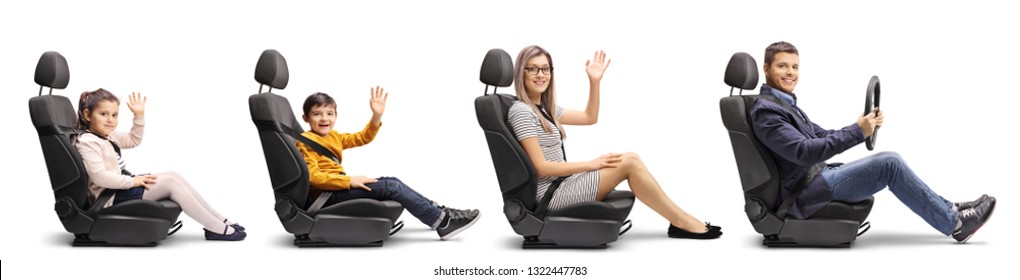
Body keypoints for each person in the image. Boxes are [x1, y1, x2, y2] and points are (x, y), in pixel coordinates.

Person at [750, 41, 996, 243]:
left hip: (814, 177)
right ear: (766, 69)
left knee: (889, 161)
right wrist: (858, 132)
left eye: (794, 66)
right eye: (783, 66)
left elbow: (820, 135)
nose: (791, 73)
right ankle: (956, 223)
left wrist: (859, 127)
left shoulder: (784, 104)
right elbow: (804, 152)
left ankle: (950, 208)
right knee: (889, 163)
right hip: (803, 192)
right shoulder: (768, 112)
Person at [507, 45, 721, 239]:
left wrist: (594, 83)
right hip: (550, 196)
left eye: (546, 69)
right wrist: (592, 164)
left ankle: (680, 219)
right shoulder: (522, 112)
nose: (540, 75)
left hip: (562, 184)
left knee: (630, 158)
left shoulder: (545, 109)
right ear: (521, 72)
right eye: (533, 69)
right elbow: (541, 168)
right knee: (628, 162)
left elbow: (590, 117)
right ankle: (681, 221)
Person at [297, 88, 480, 240]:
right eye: (317, 114)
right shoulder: (306, 141)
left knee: (392, 181)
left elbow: (362, 137)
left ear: (336, 116)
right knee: (391, 187)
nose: (324, 119)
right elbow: (313, 176)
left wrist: (376, 116)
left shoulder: (334, 136)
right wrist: (348, 181)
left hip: (337, 189)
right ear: (306, 118)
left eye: (329, 114)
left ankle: (438, 210)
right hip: (327, 196)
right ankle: (442, 222)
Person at [74, 89, 245, 241]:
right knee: (171, 183)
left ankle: (219, 220)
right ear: (88, 115)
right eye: (103, 114)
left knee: (173, 175)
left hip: (119, 187)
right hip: (109, 197)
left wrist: (138, 115)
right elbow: (99, 177)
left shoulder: (107, 136)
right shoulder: (88, 141)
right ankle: (214, 228)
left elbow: (134, 140)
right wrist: (133, 182)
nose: (110, 120)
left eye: (114, 115)